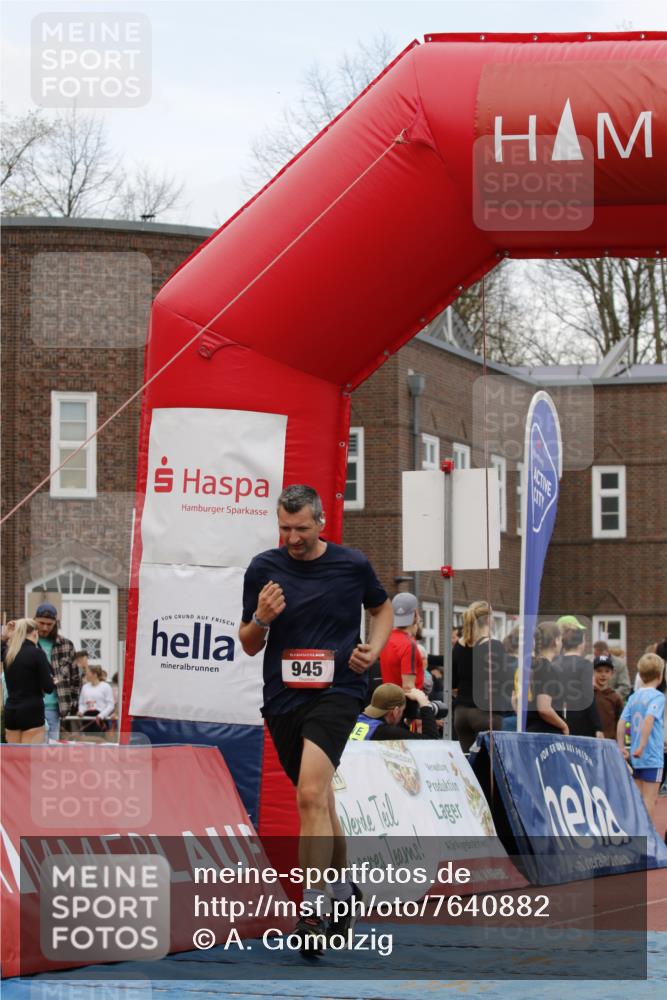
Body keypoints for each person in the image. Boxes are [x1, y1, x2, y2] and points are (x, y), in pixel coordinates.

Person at [239, 484, 392, 952]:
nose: (293, 537)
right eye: (284, 528)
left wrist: (374, 649)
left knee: (308, 794)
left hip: (339, 691)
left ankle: (311, 908)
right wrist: (261, 618)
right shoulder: (264, 567)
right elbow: (247, 642)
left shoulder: (351, 564)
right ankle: (345, 893)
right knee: (320, 801)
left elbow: (381, 608)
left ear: (321, 521)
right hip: (283, 697)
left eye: (301, 528)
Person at [452, 601, 507, 753]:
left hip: (461, 713)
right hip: (485, 713)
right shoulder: (494, 646)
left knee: (467, 761)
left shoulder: (459, 645)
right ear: (489, 619)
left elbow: (452, 681)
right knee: (489, 763)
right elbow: (503, 681)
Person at [617, 653, 665, 821]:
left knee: (638, 799)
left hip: (636, 758)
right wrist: (642, 746)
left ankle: (639, 836)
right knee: (650, 799)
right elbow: (649, 720)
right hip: (651, 755)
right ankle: (648, 839)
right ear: (660, 676)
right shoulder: (658, 697)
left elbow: (622, 721)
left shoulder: (634, 696)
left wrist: (622, 746)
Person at [2, 618, 54, 744]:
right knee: (29, 759)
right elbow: (48, 687)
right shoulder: (37, 653)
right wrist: (52, 681)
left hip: (11, 710)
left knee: (13, 760)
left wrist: (4, 637)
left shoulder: (9, 653)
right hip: (32, 710)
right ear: (35, 633)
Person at [34, 603, 78, 743]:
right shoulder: (26, 643)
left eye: (49, 624)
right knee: (32, 751)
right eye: (41, 623)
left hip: (54, 707)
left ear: (55, 623)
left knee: (51, 751)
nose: (45, 627)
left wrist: (71, 705)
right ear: (34, 620)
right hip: (31, 706)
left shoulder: (66, 645)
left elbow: (75, 678)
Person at [349, 683, 440, 740]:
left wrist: (407, 724)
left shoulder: (356, 720)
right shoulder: (385, 732)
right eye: (402, 711)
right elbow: (430, 740)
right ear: (396, 711)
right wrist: (424, 704)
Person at [559, 623, 603, 738]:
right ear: (580, 643)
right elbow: (588, 696)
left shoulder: (555, 663)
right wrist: (598, 726)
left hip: (558, 719)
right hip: (580, 721)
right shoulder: (584, 665)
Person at [526, 622, 568, 736]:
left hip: (531, 728)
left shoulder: (532, 665)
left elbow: (515, 700)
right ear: (555, 641)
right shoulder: (546, 668)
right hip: (545, 733)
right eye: (560, 639)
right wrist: (563, 725)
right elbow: (544, 708)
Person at [379, 593, 424, 692]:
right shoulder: (409, 644)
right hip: (407, 704)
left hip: (389, 700)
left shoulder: (386, 639)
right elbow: (408, 687)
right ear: (415, 615)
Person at [78, 664, 115, 735]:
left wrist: (101, 715)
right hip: (87, 718)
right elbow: (82, 703)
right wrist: (81, 711)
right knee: (88, 741)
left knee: (99, 741)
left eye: (88, 673)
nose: (86, 675)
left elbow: (110, 705)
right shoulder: (85, 687)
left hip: (100, 719)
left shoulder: (106, 686)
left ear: (95, 674)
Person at [593, 654, 624, 739]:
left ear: (612, 673)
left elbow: (620, 723)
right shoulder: (588, 696)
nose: (603, 674)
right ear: (593, 672)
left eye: (607, 671)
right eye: (599, 671)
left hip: (610, 744)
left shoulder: (616, 698)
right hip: (590, 742)